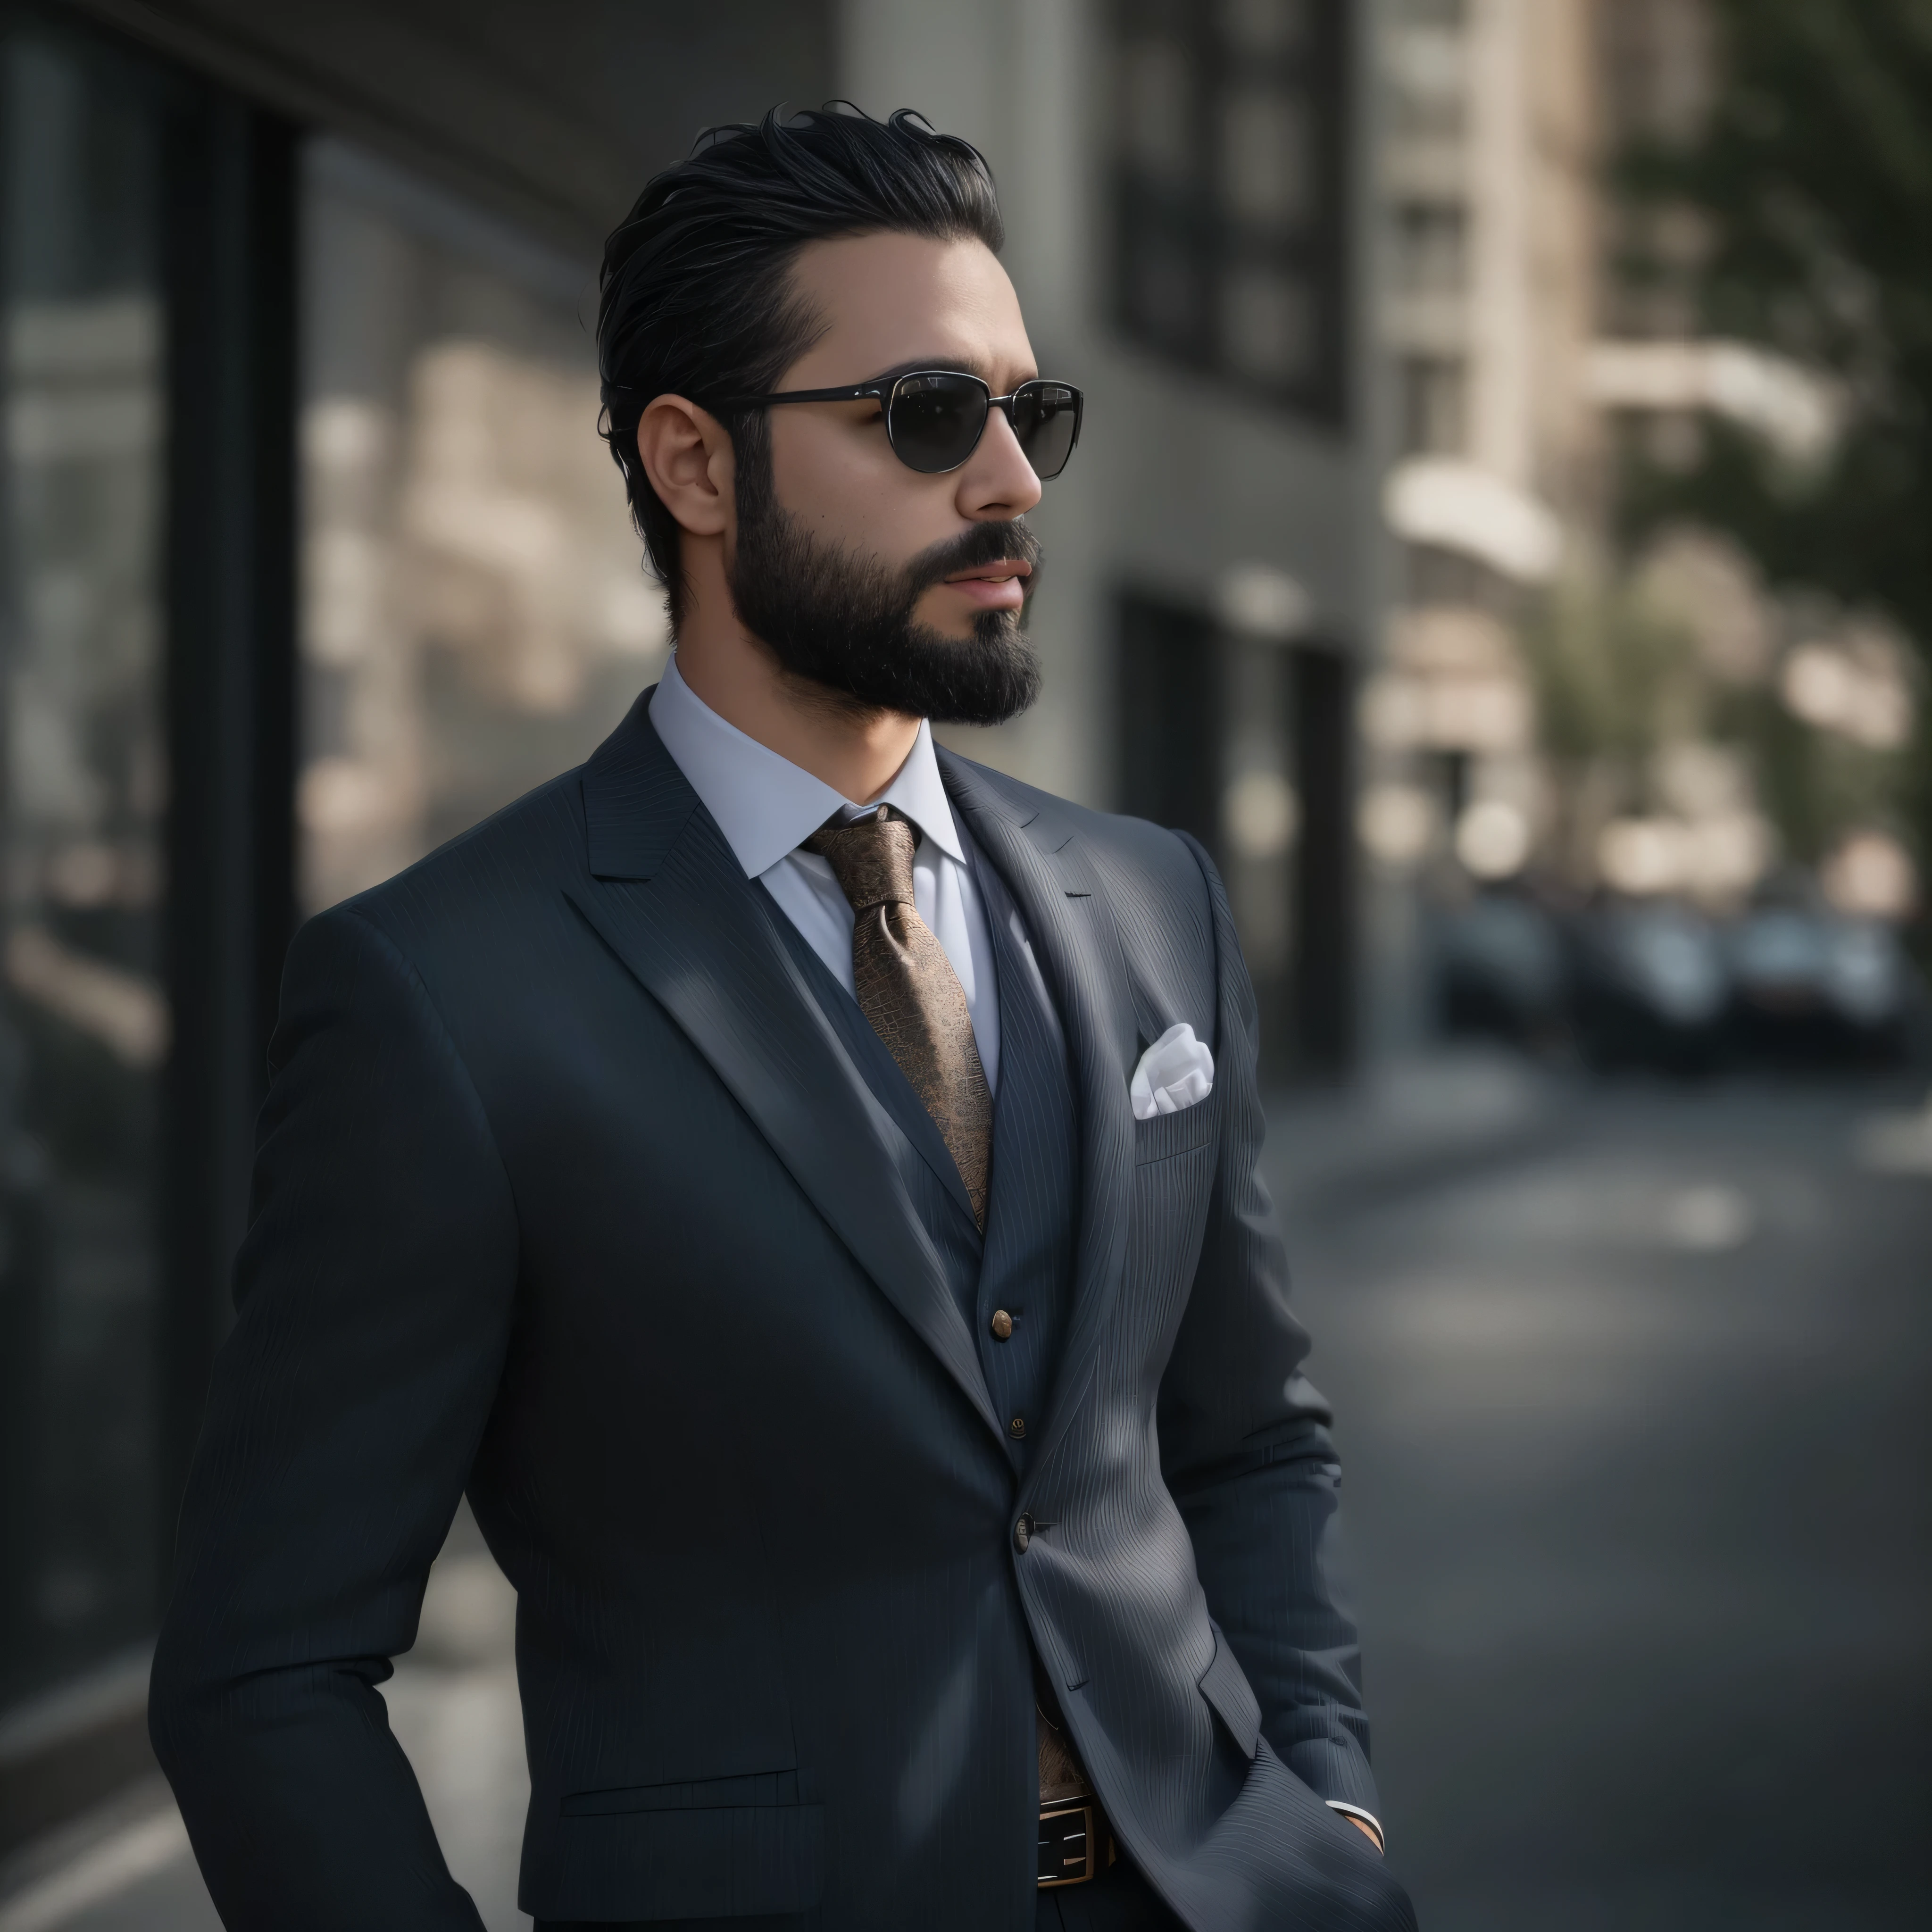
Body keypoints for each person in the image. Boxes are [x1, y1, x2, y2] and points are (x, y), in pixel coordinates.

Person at [149, 106, 1414, 1932]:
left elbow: (1247, 1436)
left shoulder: (1153, 905)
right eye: (922, 415)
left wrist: (1328, 1801)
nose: (1008, 481)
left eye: (1024, 414)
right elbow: (266, 1668)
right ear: (695, 465)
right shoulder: (443, 991)